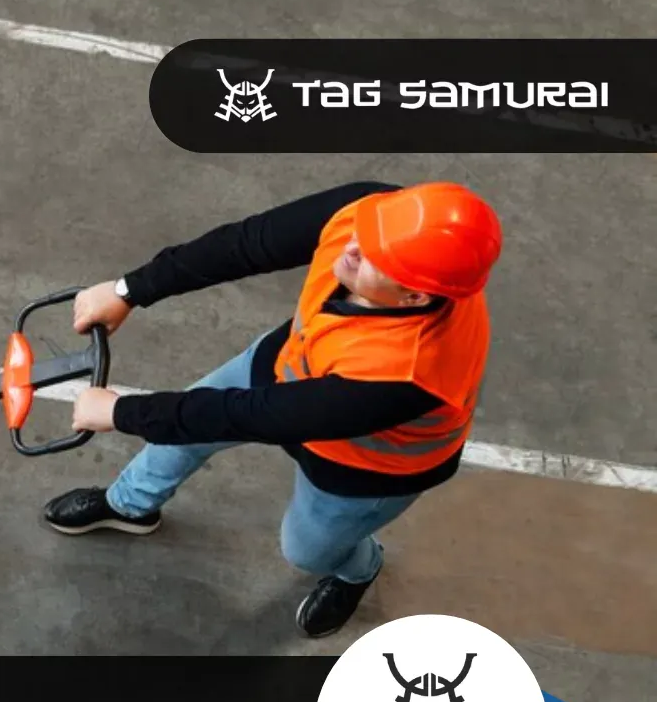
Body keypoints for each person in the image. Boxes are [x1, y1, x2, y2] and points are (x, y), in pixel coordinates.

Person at [44, 180, 502, 638]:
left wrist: (120, 413)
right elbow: (246, 244)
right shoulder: (375, 215)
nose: (352, 246)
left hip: (368, 464)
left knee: (307, 551)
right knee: (179, 431)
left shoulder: (408, 374)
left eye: (375, 258)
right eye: (367, 230)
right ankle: (129, 506)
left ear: (414, 297)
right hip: (291, 363)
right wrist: (129, 290)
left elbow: (251, 415)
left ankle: (359, 568)